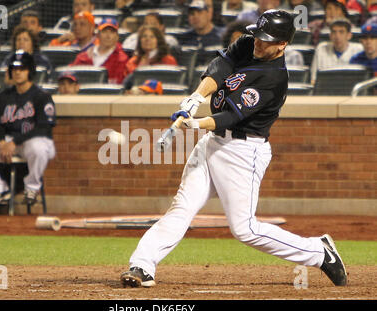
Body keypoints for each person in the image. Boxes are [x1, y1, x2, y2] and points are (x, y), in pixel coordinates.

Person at [120, 10, 347, 288]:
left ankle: (318, 252)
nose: (257, 43)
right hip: (213, 143)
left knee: (245, 229)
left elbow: (230, 116)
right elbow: (221, 66)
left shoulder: (274, 78)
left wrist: (195, 123)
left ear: (282, 44)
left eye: (265, 39)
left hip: (242, 152)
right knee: (182, 206)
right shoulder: (249, 43)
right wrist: (196, 97)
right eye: (257, 35)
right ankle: (142, 265)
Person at [0, 50, 56, 208]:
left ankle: (32, 188)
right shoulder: (3, 96)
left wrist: (14, 142)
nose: (18, 72)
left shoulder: (42, 96)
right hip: (9, 142)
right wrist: (1, 142)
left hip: (33, 142)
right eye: (14, 69)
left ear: (30, 71)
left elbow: (43, 127)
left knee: (39, 148)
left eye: (22, 68)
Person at [69, 18, 129, 84]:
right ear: (98, 35)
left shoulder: (122, 60)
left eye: (112, 32)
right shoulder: (83, 57)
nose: (108, 36)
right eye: (104, 31)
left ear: (117, 36)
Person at [310, 18, 363, 84]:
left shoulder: (359, 49)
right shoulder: (321, 48)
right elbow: (313, 80)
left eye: (341, 32)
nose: (337, 36)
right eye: (334, 32)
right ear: (330, 35)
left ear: (349, 35)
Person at [179, 0, 224, 66]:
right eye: (192, 13)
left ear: (208, 14)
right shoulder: (184, 38)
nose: (195, 17)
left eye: (199, 12)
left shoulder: (222, 36)